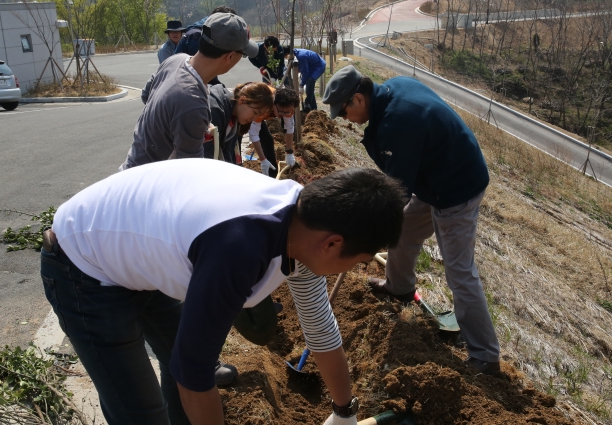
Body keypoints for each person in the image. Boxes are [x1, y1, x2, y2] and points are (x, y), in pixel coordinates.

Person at [41, 159, 407, 425]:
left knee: (178, 362)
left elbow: (320, 329)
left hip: (145, 253)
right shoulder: (239, 249)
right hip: (84, 264)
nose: (352, 270)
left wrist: (345, 410)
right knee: (142, 411)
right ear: (332, 244)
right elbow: (194, 372)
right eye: (356, 261)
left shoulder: (304, 224)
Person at [322, 65, 501, 375]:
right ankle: (399, 287)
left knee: (459, 271)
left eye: (344, 112)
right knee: (403, 231)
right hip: (434, 178)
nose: (346, 120)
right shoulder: (393, 89)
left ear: (359, 100)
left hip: (457, 188)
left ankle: (485, 355)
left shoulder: (397, 123)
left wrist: (365, 237)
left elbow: (397, 194)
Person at [121, 12, 258, 171]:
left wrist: (172, 122)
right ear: (230, 56)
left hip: (132, 165)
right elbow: (190, 172)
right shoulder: (192, 102)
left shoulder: (175, 60)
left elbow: (146, 95)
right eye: (242, 55)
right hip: (149, 183)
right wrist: (187, 121)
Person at [204, 82, 274, 163]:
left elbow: (227, 152)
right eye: (255, 112)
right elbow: (206, 156)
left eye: (259, 115)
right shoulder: (215, 111)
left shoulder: (234, 117)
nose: (255, 119)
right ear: (242, 100)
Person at [249, 86, 300, 176]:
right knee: (235, 141)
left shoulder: (288, 109)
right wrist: (262, 159)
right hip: (242, 113)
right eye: (282, 112)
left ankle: (273, 174)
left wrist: (289, 152)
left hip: (260, 114)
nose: (284, 115)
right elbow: (254, 134)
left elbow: (289, 128)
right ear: (274, 104)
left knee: (267, 140)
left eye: (288, 112)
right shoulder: (262, 106)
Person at [285, 47, 326, 112]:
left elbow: (305, 72)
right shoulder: (295, 53)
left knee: (310, 81)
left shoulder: (301, 56)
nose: (286, 58)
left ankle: (307, 103)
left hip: (318, 66)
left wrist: (301, 85)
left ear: (288, 53)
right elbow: (302, 69)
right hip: (311, 66)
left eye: (285, 56)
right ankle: (313, 109)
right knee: (310, 88)